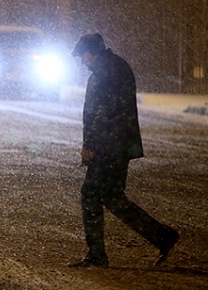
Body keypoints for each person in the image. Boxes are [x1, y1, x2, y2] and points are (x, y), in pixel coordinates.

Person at [69, 34, 179, 268]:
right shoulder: (111, 68)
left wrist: (91, 144)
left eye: (82, 56)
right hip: (114, 144)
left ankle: (97, 255)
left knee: (92, 194)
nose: (81, 61)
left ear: (92, 52)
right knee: (111, 196)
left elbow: (104, 113)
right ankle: (162, 237)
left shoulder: (109, 72)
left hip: (110, 146)